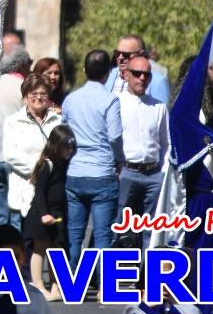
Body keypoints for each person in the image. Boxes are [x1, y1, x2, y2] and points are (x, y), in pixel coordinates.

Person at [61, 48, 123, 266]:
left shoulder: (71, 99)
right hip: (102, 171)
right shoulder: (110, 100)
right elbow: (115, 136)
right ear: (108, 72)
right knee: (103, 234)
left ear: (85, 70)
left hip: (75, 170)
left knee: (74, 233)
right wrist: (120, 159)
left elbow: (64, 131)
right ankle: (103, 285)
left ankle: (70, 280)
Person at [115, 52, 170, 248]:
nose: (142, 78)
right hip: (126, 173)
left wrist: (162, 173)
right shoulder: (116, 103)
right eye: (137, 73)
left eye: (147, 75)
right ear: (126, 74)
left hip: (153, 174)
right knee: (119, 226)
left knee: (152, 229)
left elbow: (166, 142)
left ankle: (147, 275)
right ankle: (113, 274)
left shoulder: (158, 106)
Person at [3, 75, 63, 232]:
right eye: (33, 94)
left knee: (51, 238)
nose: (38, 97)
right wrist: (37, 170)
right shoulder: (13, 121)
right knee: (27, 239)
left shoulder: (58, 120)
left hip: (52, 187)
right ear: (25, 96)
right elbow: (10, 154)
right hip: (26, 185)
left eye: (43, 94)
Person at [24, 124, 75, 302]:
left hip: (57, 213)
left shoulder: (64, 165)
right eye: (65, 146)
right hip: (42, 214)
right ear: (55, 145)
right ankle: (38, 285)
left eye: (71, 146)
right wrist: (44, 214)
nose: (69, 150)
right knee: (40, 249)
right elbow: (39, 192)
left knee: (56, 250)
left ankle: (55, 285)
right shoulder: (47, 165)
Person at [0, 45, 30, 229]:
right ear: (21, 65)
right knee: (16, 215)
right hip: (17, 158)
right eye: (29, 64)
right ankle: (16, 255)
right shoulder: (24, 87)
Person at [106, 34, 171, 104]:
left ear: (141, 54)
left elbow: (160, 113)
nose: (120, 58)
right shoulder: (108, 75)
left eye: (126, 54)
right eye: (117, 53)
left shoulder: (158, 81)